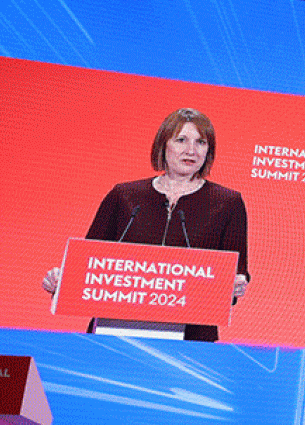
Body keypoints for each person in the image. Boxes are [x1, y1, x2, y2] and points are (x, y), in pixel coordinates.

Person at [42, 108, 251, 341]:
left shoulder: (227, 203)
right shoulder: (125, 196)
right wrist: (59, 280)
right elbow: (86, 265)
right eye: (181, 140)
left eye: (201, 142)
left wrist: (236, 284)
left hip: (192, 338)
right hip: (114, 333)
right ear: (164, 145)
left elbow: (237, 271)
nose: (191, 150)